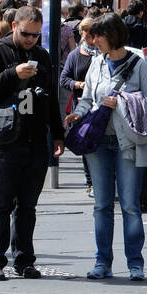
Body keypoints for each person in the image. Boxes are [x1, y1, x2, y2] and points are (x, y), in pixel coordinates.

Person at [0, 6, 66, 281]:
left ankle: (24, 259)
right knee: (0, 201)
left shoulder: (42, 56)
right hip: (2, 138)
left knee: (27, 205)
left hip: (35, 137)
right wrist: (13, 74)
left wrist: (58, 134)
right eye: (26, 34)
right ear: (14, 26)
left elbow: (49, 98)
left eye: (36, 36)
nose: (30, 40)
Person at [66, 12, 147, 281]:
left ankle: (135, 263)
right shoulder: (96, 63)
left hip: (127, 143)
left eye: (98, 35)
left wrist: (120, 101)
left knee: (130, 204)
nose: (93, 40)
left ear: (112, 35)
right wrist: (78, 113)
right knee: (102, 205)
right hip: (98, 142)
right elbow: (87, 100)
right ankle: (102, 262)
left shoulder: (139, 64)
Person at [60, 15, 100, 197]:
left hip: (101, 105)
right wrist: (77, 84)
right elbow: (64, 79)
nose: (90, 36)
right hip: (81, 105)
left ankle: (102, 180)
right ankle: (91, 182)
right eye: (87, 31)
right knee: (86, 142)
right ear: (82, 33)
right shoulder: (75, 55)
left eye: (93, 32)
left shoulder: (104, 53)